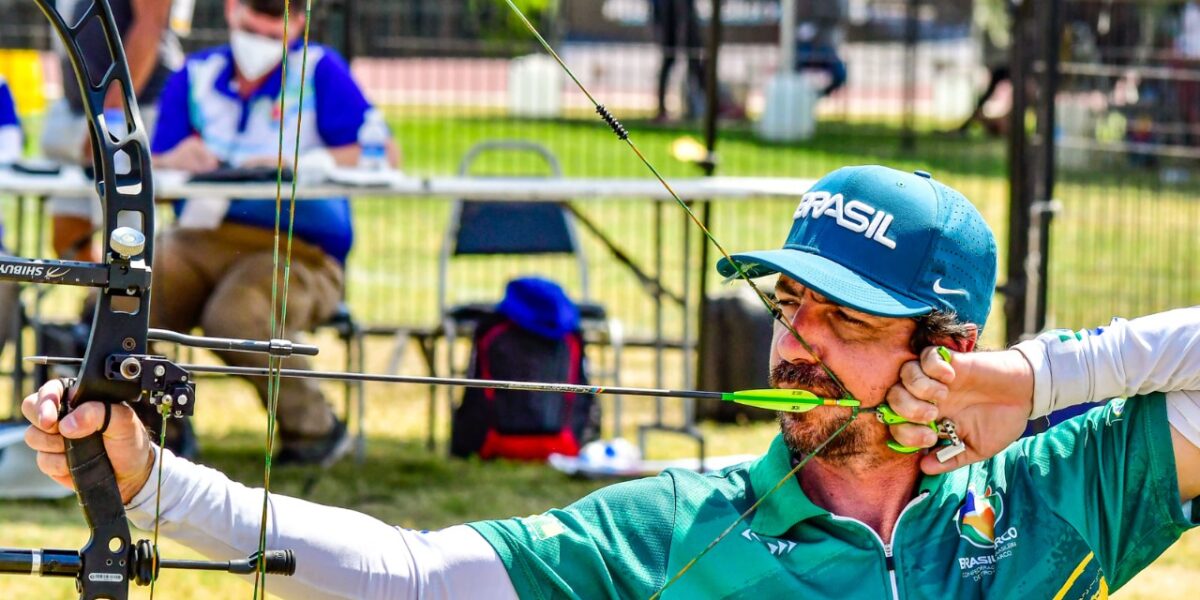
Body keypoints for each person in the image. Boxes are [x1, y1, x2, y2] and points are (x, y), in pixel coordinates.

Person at [22, 166, 1200, 598]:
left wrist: (1041, 378)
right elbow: (411, 578)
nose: (796, 345)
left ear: (943, 354)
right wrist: (157, 483)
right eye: (791, 306)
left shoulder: (1053, 501)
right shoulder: (672, 530)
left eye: (843, 320)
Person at [147, 0, 399, 466]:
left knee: (237, 316)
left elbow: (383, 153)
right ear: (229, 11)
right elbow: (153, 160)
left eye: (273, 30)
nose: (259, 41)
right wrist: (173, 158)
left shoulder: (321, 70)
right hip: (200, 236)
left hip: (300, 250)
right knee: (129, 290)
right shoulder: (195, 75)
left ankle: (314, 430)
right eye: (251, 25)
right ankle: (155, 431)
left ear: (299, 22)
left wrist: (298, 165)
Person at [41, 0, 181, 263]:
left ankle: (125, 302)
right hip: (79, 110)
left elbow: (151, 26)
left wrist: (110, 119)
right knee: (67, 233)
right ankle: (96, 299)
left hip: (129, 114)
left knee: (127, 242)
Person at [951, 0, 1013, 136]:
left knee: (989, 95)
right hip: (1004, 60)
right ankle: (965, 127)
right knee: (987, 95)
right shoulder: (987, 9)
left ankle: (965, 127)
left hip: (1008, 59)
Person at [651, 0, 706, 122]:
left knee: (695, 60)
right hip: (670, 16)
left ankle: (706, 107)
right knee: (671, 58)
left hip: (683, 17)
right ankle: (662, 110)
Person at [794, 0, 848, 98]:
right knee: (793, 69)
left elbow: (836, 17)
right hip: (802, 48)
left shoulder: (829, 4)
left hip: (823, 46)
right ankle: (803, 96)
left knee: (840, 72)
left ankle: (818, 96)